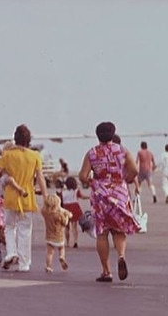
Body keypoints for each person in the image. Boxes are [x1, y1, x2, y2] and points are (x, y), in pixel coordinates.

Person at [79, 121, 140, 282]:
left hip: (100, 197)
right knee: (119, 230)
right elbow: (135, 170)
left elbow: (83, 176)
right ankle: (121, 256)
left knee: (102, 233)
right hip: (119, 193)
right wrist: (123, 181)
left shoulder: (91, 153)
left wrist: (94, 183)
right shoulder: (123, 151)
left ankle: (106, 271)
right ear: (113, 134)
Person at [0, 124, 48, 272]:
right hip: (27, 197)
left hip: (11, 196)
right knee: (25, 230)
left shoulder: (8, 155)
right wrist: (46, 196)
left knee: (9, 227)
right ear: (28, 140)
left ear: (15, 139)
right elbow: (40, 178)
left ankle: (11, 252)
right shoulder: (34, 156)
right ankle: (24, 263)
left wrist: (5, 177)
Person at [40, 194, 72, 273]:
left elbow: (43, 209)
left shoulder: (45, 213)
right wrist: (67, 216)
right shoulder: (59, 215)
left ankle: (48, 266)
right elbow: (65, 223)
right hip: (59, 236)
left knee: (50, 253)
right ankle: (61, 256)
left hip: (49, 236)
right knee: (61, 248)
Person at [61, 176, 85, 248]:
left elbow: (61, 201)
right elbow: (82, 197)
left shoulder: (63, 192)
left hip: (66, 208)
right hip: (74, 207)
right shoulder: (76, 191)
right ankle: (75, 241)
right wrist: (89, 197)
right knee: (74, 226)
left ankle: (67, 243)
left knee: (66, 227)